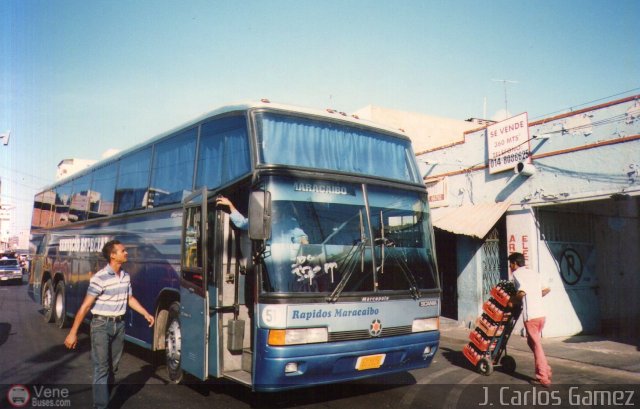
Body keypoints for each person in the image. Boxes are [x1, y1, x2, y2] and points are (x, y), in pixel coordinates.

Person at [64, 240, 155, 409]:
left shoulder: (125, 276)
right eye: (123, 250)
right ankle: (100, 405)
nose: (126, 253)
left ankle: (104, 399)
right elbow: (85, 306)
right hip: (101, 325)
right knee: (102, 368)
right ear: (113, 255)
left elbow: (130, 299)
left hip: (119, 326)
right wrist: (73, 332)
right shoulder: (100, 278)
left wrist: (145, 313)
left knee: (113, 368)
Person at [508, 252, 552, 387]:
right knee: (532, 342)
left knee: (536, 346)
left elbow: (521, 292)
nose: (510, 266)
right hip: (541, 315)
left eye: (511, 263)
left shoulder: (517, 274)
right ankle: (546, 368)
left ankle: (543, 377)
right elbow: (546, 289)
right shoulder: (533, 273)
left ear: (515, 263)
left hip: (531, 316)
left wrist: (512, 302)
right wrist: (535, 296)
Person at [215, 195, 308, 244]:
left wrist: (304, 243)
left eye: (276, 207)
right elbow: (242, 223)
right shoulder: (261, 221)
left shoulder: (290, 222)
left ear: (281, 208)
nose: (273, 210)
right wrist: (230, 205)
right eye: (271, 207)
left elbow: (301, 239)